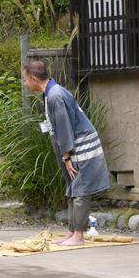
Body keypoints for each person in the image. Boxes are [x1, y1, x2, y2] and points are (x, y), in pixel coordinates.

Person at [22, 59, 110, 246]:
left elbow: (64, 127)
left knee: (80, 190)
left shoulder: (55, 95)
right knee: (72, 189)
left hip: (81, 148)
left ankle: (78, 235)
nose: (25, 83)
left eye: (25, 79)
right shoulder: (51, 93)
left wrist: (67, 157)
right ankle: (72, 232)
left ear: (33, 78)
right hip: (74, 148)